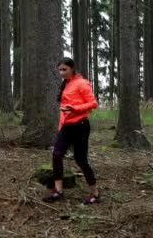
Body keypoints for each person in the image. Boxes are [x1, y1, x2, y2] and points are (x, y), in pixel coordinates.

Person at [43, 57, 100, 204]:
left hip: (80, 126)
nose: (62, 72)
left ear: (72, 68)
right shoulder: (65, 83)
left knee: (80, 159)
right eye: (60, 69)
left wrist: (75, 108)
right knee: (56, 154)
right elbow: (64, 109)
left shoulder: (81, 83)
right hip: (66, 126)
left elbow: (93, 103)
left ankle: (94, 193)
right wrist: (61, 126)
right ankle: (58, 190)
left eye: (64, 69)